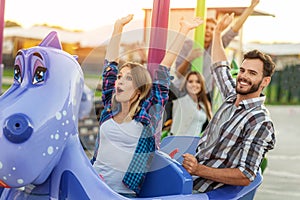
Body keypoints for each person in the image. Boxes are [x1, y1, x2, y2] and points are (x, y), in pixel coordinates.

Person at [91, 14, 203, 196]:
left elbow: (164, 70)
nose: (119, 81)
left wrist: (184, 30)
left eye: (128, 78)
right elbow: (110, 65)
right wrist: (117, 28)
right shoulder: (110, 109)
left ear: (138, 90)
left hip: (123, 194)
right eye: (120, 77)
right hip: (93, 184)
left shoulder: (147, 117)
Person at [182, 13, 276, 193]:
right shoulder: (232, 96)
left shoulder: (260, 121)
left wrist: (198, 169)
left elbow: (245, 175)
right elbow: (220, 66)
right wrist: (217, 32)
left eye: (252, 73)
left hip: (206, 192)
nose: (244, 76)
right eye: (242, 70)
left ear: (265, 81)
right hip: (188, 181)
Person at [173, 0, 260, 101]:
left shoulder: (215, 47)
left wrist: (251, 7)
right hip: (184, 94)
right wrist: (189, 58)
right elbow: (178, 73)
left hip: (205, 94)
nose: (208, 31)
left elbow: (234, 29)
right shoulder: (188, 45)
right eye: (206, 27)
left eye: (212, 29)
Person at [169, 71, 212, 136]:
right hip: (177, 142)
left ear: (202, 85)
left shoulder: (203, 104)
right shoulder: (180, 98)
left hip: (194, 143)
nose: (194, 84)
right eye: (190, 81)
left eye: (198, 82)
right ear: (186, 84)